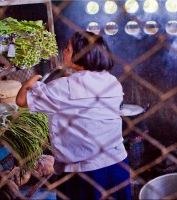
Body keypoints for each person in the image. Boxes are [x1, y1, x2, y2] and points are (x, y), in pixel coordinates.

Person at [16, 31, 131, 200]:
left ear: (82, 55)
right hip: (117, 164)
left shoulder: (63, 87)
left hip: (85, 173)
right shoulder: (112, 82)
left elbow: (21, 100)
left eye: (68, 49)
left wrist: (31, 81)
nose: (64, 51)